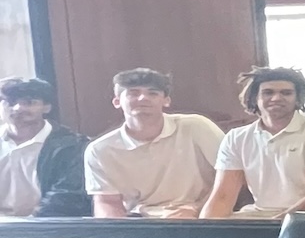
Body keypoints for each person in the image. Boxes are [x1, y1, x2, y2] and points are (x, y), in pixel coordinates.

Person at [202, 67, 305, 218]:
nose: (277, 98)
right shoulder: (235, 138)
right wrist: (203, 234)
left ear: (298, 98)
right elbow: (223, 196)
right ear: (254, 98)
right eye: (268, 92)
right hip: (263, 214)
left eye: (286, 93)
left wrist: (274, 226)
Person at [84, 68, 223, 218]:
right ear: (117, 102)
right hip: (142, 222)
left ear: (166, 101)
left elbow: (234, 178)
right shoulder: (99, 150)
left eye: (153, 93)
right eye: (133, 93)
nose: (143, 98)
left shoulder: (198, 127)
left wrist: (197, 210)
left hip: (204, 215)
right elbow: (107, 202)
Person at [0, 76, 89, 217]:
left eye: (29, 102)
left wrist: (31, 224)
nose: (18, 108)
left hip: (48, 228)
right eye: (10, 102)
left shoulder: (73, 145)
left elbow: (67, 195)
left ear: (47, 107)